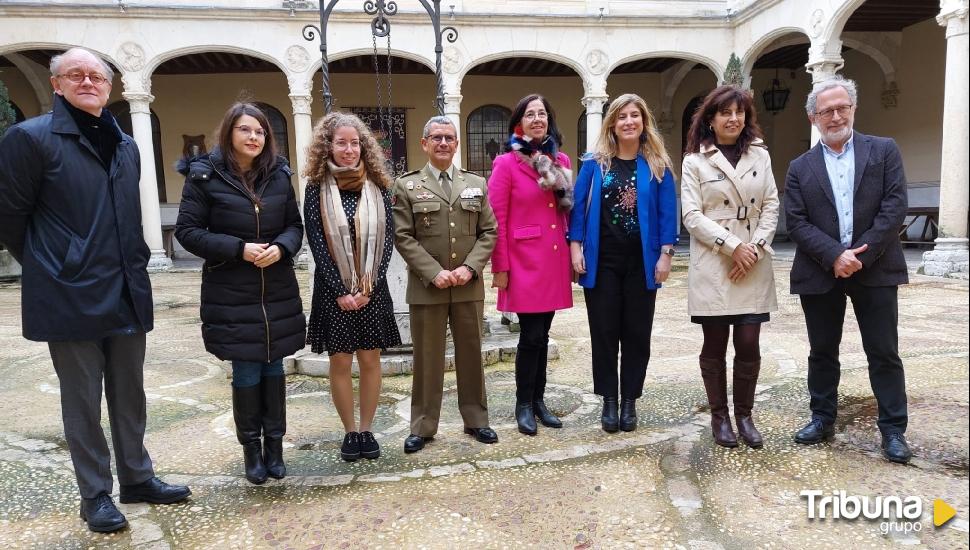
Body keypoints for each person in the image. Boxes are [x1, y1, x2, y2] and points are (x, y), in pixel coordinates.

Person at [0, 47, 190, 533]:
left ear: (109, 87)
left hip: (126, 284)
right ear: (57, 83)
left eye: (96, 76)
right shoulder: (29, 138)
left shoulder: (126, 145)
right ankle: (96, 495)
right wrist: (56, 264)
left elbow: (126, 214)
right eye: (75, 75)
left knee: (130, 392)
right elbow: (11, 217)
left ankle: (138, 477)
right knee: (82, 399)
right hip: (69, 292)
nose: (88, 82)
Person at [175, 103, 305, 484]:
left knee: (274, 364)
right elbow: (188, 231)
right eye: (246, 130)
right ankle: (252, 449)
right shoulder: (204, 176)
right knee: (246, 367)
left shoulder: (279, 175)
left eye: (261, 132)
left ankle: (275, 447)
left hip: (275, 288)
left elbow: (294, 226)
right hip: (231, 289)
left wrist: (281, 247)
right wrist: (239, 248)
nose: (254, 137)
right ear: (230, 132)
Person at [785, 76, 912, 464]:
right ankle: (822, 418)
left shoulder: (884, 150)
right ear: (813, 118)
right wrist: (835, 255)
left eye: (842, 108)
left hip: (875, 268)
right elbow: (797, 221)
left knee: (883, 351)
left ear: (853, 109)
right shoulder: (799, 167)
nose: (836, 116)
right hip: (821, 271)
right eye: (827, 111)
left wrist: (860, 254)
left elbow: (894, 207)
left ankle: (893, 430)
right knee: (822, 351)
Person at [569, 93, 678, 434]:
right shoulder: (594, 162)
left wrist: (665, 254)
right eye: (622, 117)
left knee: (636, 333)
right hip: (603, 262)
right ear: (612, 124)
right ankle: (609, 401)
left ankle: (629, 400)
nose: (629, 121)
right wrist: (575, 247)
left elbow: (666, 214)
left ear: (643, 122)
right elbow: (577, 208)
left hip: (641, 264)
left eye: (635, 116)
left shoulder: (657, 165)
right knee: (604, 333)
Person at [681, 85, 779, 449]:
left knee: (749, 342)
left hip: (753, 258)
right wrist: (732, 247)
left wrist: (753, 248)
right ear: (710, 118)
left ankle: (745, 416)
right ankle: (719, 418)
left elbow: (771, 204)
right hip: (715, 260)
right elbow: (691, 215)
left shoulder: (760, 155)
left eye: (739, 112)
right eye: (725, 113)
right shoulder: (694, 161)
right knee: (715, 342)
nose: (733, 119)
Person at [392, 116, 498, 452]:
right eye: (435, 137)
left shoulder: (476, 184)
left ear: (456, 144)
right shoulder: (406, 186)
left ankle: (477, 420)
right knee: (427, 358)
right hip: (427, 287)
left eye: (449, 138)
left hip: (467, 285)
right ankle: (423, 426)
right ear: (424, 144)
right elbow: (403, 236)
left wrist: (470, 268)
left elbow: (489, 232)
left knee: (471, 355)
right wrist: (433, 271)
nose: (443, 143)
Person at [304, 112, 401, 462]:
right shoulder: (316, 187)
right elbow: (315, 240)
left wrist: (368, 288)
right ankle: (349, 432)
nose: (349, 150)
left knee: (371, 359)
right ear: (328, 146)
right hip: (334, 292)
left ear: (364, 146)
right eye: (341, 142)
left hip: (371, 290)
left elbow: (387, 239)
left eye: (355, 142)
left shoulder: (378, 184)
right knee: (341, 361)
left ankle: (367, 428)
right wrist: (340, 290)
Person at [488, 94, 573, 435]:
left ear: (549, 121)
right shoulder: (507, 163)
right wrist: (501, 267)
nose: (537, 119)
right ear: (519, 123)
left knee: (545, 334)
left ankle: (539, 402)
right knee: (530, 335)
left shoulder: (560, 159)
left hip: (552, 258)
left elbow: (566, 209)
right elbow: (496, 217)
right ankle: (524, 404)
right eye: (530, 114)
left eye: (542, 113)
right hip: (523, 261)